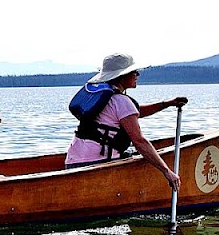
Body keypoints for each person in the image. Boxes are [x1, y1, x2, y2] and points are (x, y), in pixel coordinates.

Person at [65, 53, 188, 190]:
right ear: (122, 76)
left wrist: (166, 104)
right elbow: (139, 142)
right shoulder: (121, 101)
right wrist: (167, 171)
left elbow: (133, 112)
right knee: (137, 154)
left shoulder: (103, 98)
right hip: (95, 165)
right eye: (134, 72)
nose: (137, 75)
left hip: (72, 162)